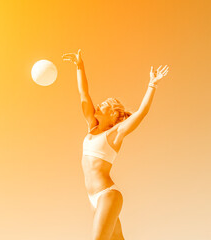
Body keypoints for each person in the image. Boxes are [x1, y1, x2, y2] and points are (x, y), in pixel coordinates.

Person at [62, 49, 169, 240]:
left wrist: (152, 85)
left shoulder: (115, 134)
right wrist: (80, 66)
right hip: (94, 200)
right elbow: (83, 94)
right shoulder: (92, 128)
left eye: (103, 104)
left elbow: (140, 114)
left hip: (107, 195)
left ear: (112, 114)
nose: (98, 105)